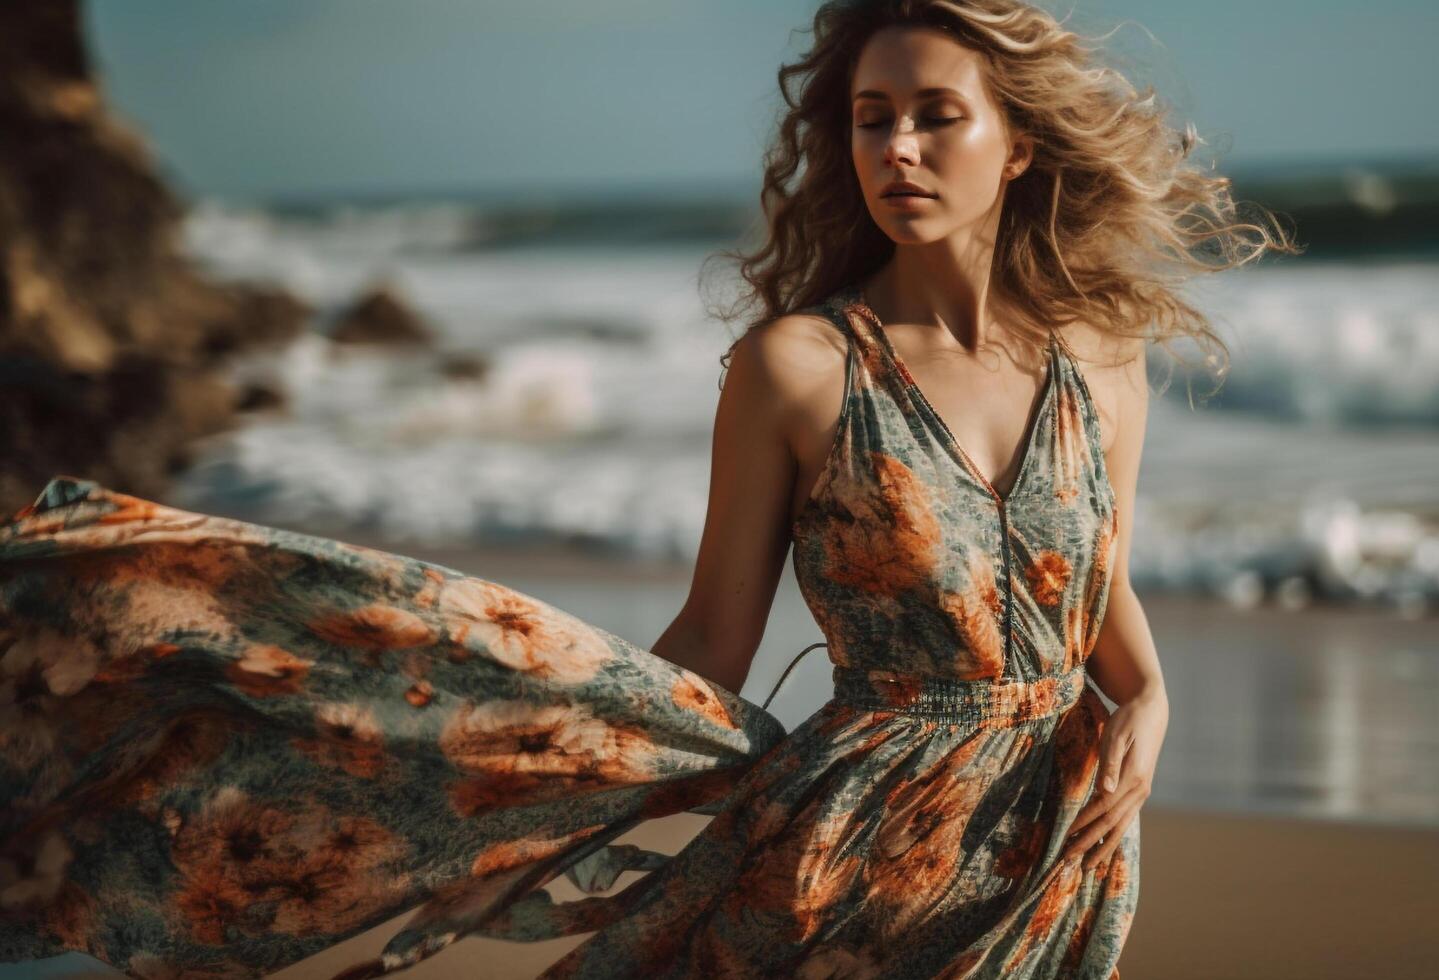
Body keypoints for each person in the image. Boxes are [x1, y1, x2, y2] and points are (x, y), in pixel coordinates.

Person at [0, 1, 1295, 976]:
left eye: (935, 114)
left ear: (1016, 144)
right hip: (851, 849)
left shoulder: (1100, 362)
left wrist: (1155, 703)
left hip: (1059, 846)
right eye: (869, 116)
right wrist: (509, 785)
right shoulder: (798, 369)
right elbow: (714, 644)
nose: (896, 146)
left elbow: (1092, 580)